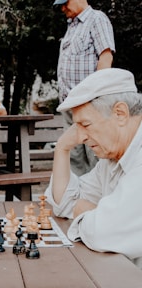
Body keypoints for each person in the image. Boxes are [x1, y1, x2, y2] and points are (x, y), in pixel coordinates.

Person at [44, 68, 142, 288]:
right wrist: (62, 150)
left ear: (120, 113)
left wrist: (94, 213)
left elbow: (103, 232)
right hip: (122, 287)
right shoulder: (111, 160)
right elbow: (63, 203)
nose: (81, 137)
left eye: (85, 125)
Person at [53, 0, 115, 176]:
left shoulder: (97, 19)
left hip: (89, 103)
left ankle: (99, 202)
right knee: (74, 157)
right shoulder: (71, 25)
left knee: (95, 155)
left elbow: (106, 58)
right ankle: (78, 201)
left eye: (65, 3)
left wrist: (96, 97)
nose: (62, 8)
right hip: (69, 104)